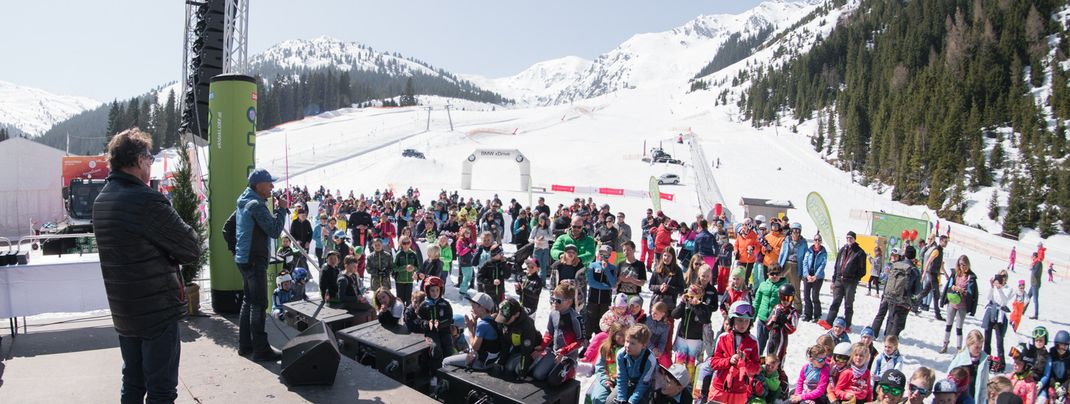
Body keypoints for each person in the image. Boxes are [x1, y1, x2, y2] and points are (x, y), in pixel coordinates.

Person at [94, 128, 202, 403]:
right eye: (150, 158)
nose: (151, 165)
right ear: (139, 160)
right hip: (156, 311)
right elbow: (190, 248)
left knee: (132, 382)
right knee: (161, 389)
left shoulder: (102, 199)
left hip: (125, 309)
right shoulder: (146, 199)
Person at [234, 168, 289, 362]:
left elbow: (229, 227)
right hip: (255, 259)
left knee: (249, 301)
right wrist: (282, 209)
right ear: (259, 186)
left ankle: (245, 345)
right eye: (269, 183)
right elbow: (274, 231)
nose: (272, 187)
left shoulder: (244, 200)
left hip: (244, 258)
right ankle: (261, 349)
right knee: (259, 304)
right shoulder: (256, 204)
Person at [706, 301, 760, 404]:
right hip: (720, 388)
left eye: (746, 321)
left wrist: (746, 362)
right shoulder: (723, 338)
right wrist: (729, 361)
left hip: (740, 391)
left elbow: (756, 369)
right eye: (739, 320)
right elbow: (713, 363)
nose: (743, 324)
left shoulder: (753, 342)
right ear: (732, 320)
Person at [532, 283, 586, 385]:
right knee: (537, 375)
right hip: (555, 352)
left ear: (569, 302)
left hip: (568, 355)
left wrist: (564, 351)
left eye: (558, 301)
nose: (554, 303)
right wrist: (542, 347)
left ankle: (571, 369)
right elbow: (549, 333)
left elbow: (581, 341)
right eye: (552, 299)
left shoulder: (576, 318)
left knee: (553, 381)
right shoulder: (553, 313)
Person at [869, 246, 920, 338]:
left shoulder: (895, 265)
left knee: (881, 314)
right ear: (914, 257)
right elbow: (917, 291)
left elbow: (886, 279)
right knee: (895, 321)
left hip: (888, 295)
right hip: (903, 300)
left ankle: (872, 334)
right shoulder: (914, 270)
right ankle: (888, 339)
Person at [442, 292, 500, 370]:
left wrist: (470, 328)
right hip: (490, 359)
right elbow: (481, 340)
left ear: (481, 307)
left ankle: (446, 382)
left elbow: (475, 347)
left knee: (446, 361)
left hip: (482, 363)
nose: (471, 309)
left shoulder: (483, 324)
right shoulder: (491, 319)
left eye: (473, 306)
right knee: (457, 355)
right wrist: (474, 323)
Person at [821, 231, 866, 330]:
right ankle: (829, 321)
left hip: (850, 282)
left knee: (848, 304)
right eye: (847, 238)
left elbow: (863, 271)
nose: (849, 239)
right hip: (839, 280)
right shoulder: (842, 249)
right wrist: (834, 279)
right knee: (835, 301)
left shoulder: (859, 252)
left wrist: (854, 279)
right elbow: (837, 265)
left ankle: (847, 325)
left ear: (854, 239)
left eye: (851, 238)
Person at [493, 298, 543, 380]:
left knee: (515, 369)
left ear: (516, 314)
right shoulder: (504, 322)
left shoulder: (527, 326)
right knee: (507, 367)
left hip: (530, 350)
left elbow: (526, 352)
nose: (503, 322)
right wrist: (501, 363)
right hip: (517, 346)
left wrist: (522, 373)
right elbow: (505, 343)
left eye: (506, 319)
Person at [414, 276, 454, 375]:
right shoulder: (424, 305)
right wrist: (427, 324)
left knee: (448, 347)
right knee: (436, 349)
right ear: (427, 291)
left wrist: (441, 324)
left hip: (444, 331)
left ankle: (450, 372)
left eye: (437, 290)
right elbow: (419, 320)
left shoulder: (445, 304)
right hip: (430, 333)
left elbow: (450, 319)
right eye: (432, 290)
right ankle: (435, 373)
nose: (435, 293)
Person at [941, 255, 979, 354]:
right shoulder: (955, 274)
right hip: (952, 303)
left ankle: (958, 348)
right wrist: (953, 287)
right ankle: (945, 344)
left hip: (962, 306)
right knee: (948, 325)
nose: (962, 266)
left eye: (964, 265)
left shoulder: (970, 277)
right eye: (960, 264)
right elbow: (949, 286)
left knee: (959, 327)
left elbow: (972, 293)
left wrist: (962, 291)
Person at [673, 285, 712, 380]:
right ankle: (677, 378)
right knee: (679, 361)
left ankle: (689, 381)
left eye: (692, 296)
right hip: (682, 338)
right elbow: (674, 315)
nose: (690, 299)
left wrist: (697, 306)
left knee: (691, 363)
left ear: (699, 296)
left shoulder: (703, 307)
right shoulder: (685, 305)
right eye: (688, 296)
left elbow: (705, 320)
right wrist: (682, 303)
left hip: (694, 340)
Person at [614, 324, 658, 404]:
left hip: (644, 386)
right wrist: (621, 399)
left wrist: (631, 401)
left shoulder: (650, 360)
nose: (627, 346)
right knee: (610, 401)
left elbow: (643, 383)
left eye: (632, 343)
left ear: (643, 345)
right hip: (628, 382)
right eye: (627, 341)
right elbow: (621, 378)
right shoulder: (621, 354)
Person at [586, 244, 620, 340]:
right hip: (593, 298)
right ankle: (586, 344)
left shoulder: (612, 268)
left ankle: (600, 341)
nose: (604, 257)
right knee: (590, 321)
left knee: (603, 322)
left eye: (606, 255)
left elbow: (613, 283)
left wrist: (606, 270)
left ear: (610, 255)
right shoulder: (592, 265)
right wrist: (606, 286)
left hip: (605, 300)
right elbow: (591, 282)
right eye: (602, 254)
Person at [588, 323, 627, 404]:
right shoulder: (606, 348)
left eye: (626, 334)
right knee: (599, 399)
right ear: (613, 335)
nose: (624, 337)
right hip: (606, 379)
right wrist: (606, 381)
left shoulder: (629, 349)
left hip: (621, 382)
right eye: (620, 334)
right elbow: (599, 367)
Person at [754, 264, 789, 354]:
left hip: (775, 321)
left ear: (781, 274)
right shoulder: (763, 285)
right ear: (767, 274)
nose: (774, 276)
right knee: (759, 345)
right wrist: (752, 318)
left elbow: (787, 304)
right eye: (772, 274)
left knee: (772, 346)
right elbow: (757, 302)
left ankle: (770, 366)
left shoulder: (784, 287)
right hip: (762, 319)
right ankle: (760, 364)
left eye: (777, 274)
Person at [948, 329, 990, 402]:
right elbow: (949, 377)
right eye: (976, 347)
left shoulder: (983, 360)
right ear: (969, 344)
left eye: (981, 347)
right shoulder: (960, 359)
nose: (979, 350)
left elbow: (984, 383)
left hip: (975, 395)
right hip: (960, 396)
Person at [984, 270, 1013, 372]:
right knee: (987, 337)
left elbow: (1004, 301)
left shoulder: (1009, 288)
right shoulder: (994, 286)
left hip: (1000, 315)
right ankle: (986, 359)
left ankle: (1001, 363)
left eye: (1004, 276)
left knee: (999, 340)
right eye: (1000, 275)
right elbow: (989, 298)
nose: (1002, 277)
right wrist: (992, 287)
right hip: (991, 311)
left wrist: (1000, 289)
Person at [765, 283, 800, 361]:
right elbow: (767, 324)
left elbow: (793, 329)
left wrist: (784, 322)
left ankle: (778, 371)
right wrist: (773, 320)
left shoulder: (792, 312)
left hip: (782, 338)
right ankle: (767, 371)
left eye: (788, 299)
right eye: (782, 297)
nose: (785, 301)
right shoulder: (777, 308)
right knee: (769, 355)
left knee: (779, 356)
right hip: (772, 336)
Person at [335, 255, 373, 322]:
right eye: (353, 266)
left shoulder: (353, 275)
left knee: (372, 303)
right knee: (369, 307)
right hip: (347, 304)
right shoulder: (343, 279)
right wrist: (356, 298)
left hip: (355, 300)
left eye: (356, 266)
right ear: (346, 266)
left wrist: (361, 297)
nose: (356, 268)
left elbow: (357, 289)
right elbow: (341, 298)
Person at [779, 223, 807, 312]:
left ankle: (798, 309)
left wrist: (804, 272)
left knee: (795, 288)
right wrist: (779, 266)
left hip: (796, 266)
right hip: (786, 264)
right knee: (784, 286)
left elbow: (805, 257)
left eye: (797, 232)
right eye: (794, 231)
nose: (795, 234)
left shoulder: (803, 243)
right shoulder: (786, 240)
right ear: (791, 232)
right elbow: (782, 254)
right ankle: (783, 305)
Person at [920, 235, 949, 321]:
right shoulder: (936, 250)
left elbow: (941, 264)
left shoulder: (940, 251)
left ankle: (914, 305)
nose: (946, 243)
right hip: (932, 273)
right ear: (940, 241)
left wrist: (945, 274)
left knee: (925, 292)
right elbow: (928, 261)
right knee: (936, 294)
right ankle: (937, 314)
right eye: (945, 241)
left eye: (947, 242)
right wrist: (924, 273)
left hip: (934, 274)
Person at [801, 233, 827, 323]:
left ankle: (817, 315)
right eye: (816, 240)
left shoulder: (823, 252)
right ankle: (807, 314)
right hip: (808, 275)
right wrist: (807, 275)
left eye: (819, 240)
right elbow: (805, 263)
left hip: (817, 277)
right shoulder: (809, 250)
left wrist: (816, 276)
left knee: (815, 296)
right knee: (806, 296)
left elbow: (822, 265)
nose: (817, 242)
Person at [645, 301, 672, 368]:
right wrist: (652, 348)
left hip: (656, 346)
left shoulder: (666, 325)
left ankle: (664, 374)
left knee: (664, 358)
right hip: (646, 344)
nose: (652, 314)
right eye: (652, 312)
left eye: (655, 313)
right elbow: (645, 338)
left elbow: (663, 340)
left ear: (662, 314)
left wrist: (660, 351)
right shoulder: (648, 320)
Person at [532, 214, 554, 283]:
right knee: (535, 266)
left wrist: (544, 237)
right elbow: (530, 238)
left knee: (543, 267)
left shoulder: (548, 229)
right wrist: (535, 241)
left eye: (542, 220)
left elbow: (551, 238)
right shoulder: (535, 228)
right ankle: (535, 282)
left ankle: (543, 282)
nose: (541, 221)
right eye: (540, 220)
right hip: (537, 249)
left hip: (545, 249)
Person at [1029, 252, 1042, 319]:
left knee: (1035, 299)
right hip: (1033, 283)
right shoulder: (1036, 262)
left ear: (1035, 256)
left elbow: (1035, 272)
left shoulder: (1038, 263)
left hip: (1035, 284)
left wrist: (1032, 267)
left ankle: (1036, 315)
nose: (1031, 257)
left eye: (1032, 256)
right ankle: (1022, 311)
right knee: (1027, 297)